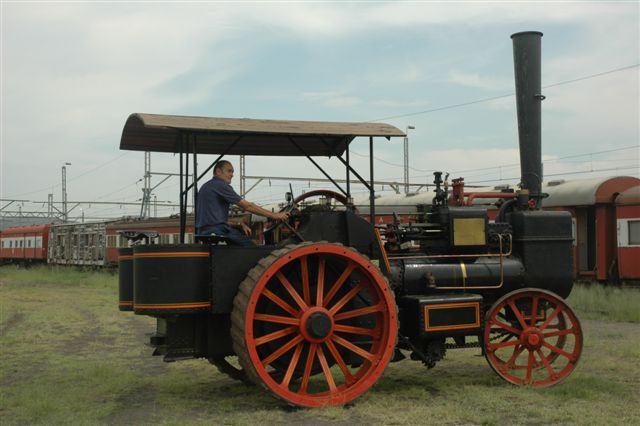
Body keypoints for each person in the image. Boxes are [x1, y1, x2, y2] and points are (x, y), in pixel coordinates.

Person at [196, 160, 289, 246]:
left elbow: (214, 220)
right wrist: (275, 215)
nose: (232, 175)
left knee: (239, 235)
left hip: (204, 230)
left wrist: (240, 224)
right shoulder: (221, 185)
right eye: (229, 171)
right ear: (218, 172)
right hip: (217, 229)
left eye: (232, 172)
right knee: (251, 248)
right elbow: (247, 206)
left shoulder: (206, 186)